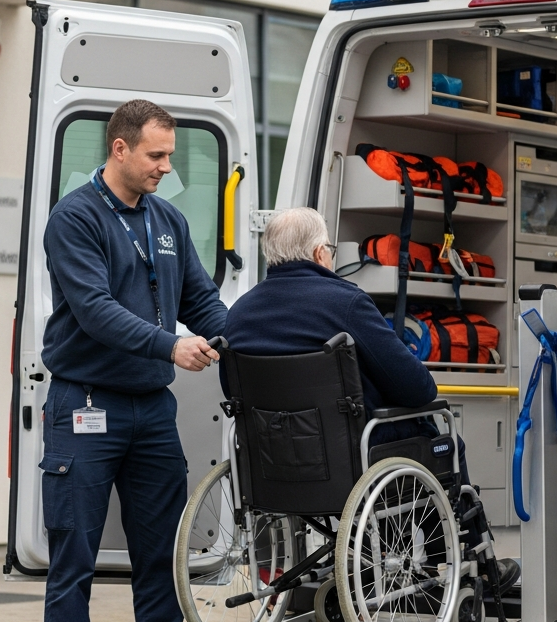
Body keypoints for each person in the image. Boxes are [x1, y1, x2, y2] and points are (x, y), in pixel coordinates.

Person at [38, 99, 227, 622]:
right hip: (84, 407)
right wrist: (168, 343)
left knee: (160, 556)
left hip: (151, 412)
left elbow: (202, 300)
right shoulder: (75, 218)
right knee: (74, 557)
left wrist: (256, 342)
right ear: (119, 149)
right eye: (156, 155)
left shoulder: (166, 219)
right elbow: (92, 310)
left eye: (169, 155)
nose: (165, 167)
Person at [220, 207, 518, 578]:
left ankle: (369, 565)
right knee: (442, 440)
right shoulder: (345, 302)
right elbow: (418, 387)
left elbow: (234, 393)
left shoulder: (239, 313)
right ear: (318, 254)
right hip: (353, 463)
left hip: (271, 468)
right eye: (328, 247)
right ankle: (462, 562)